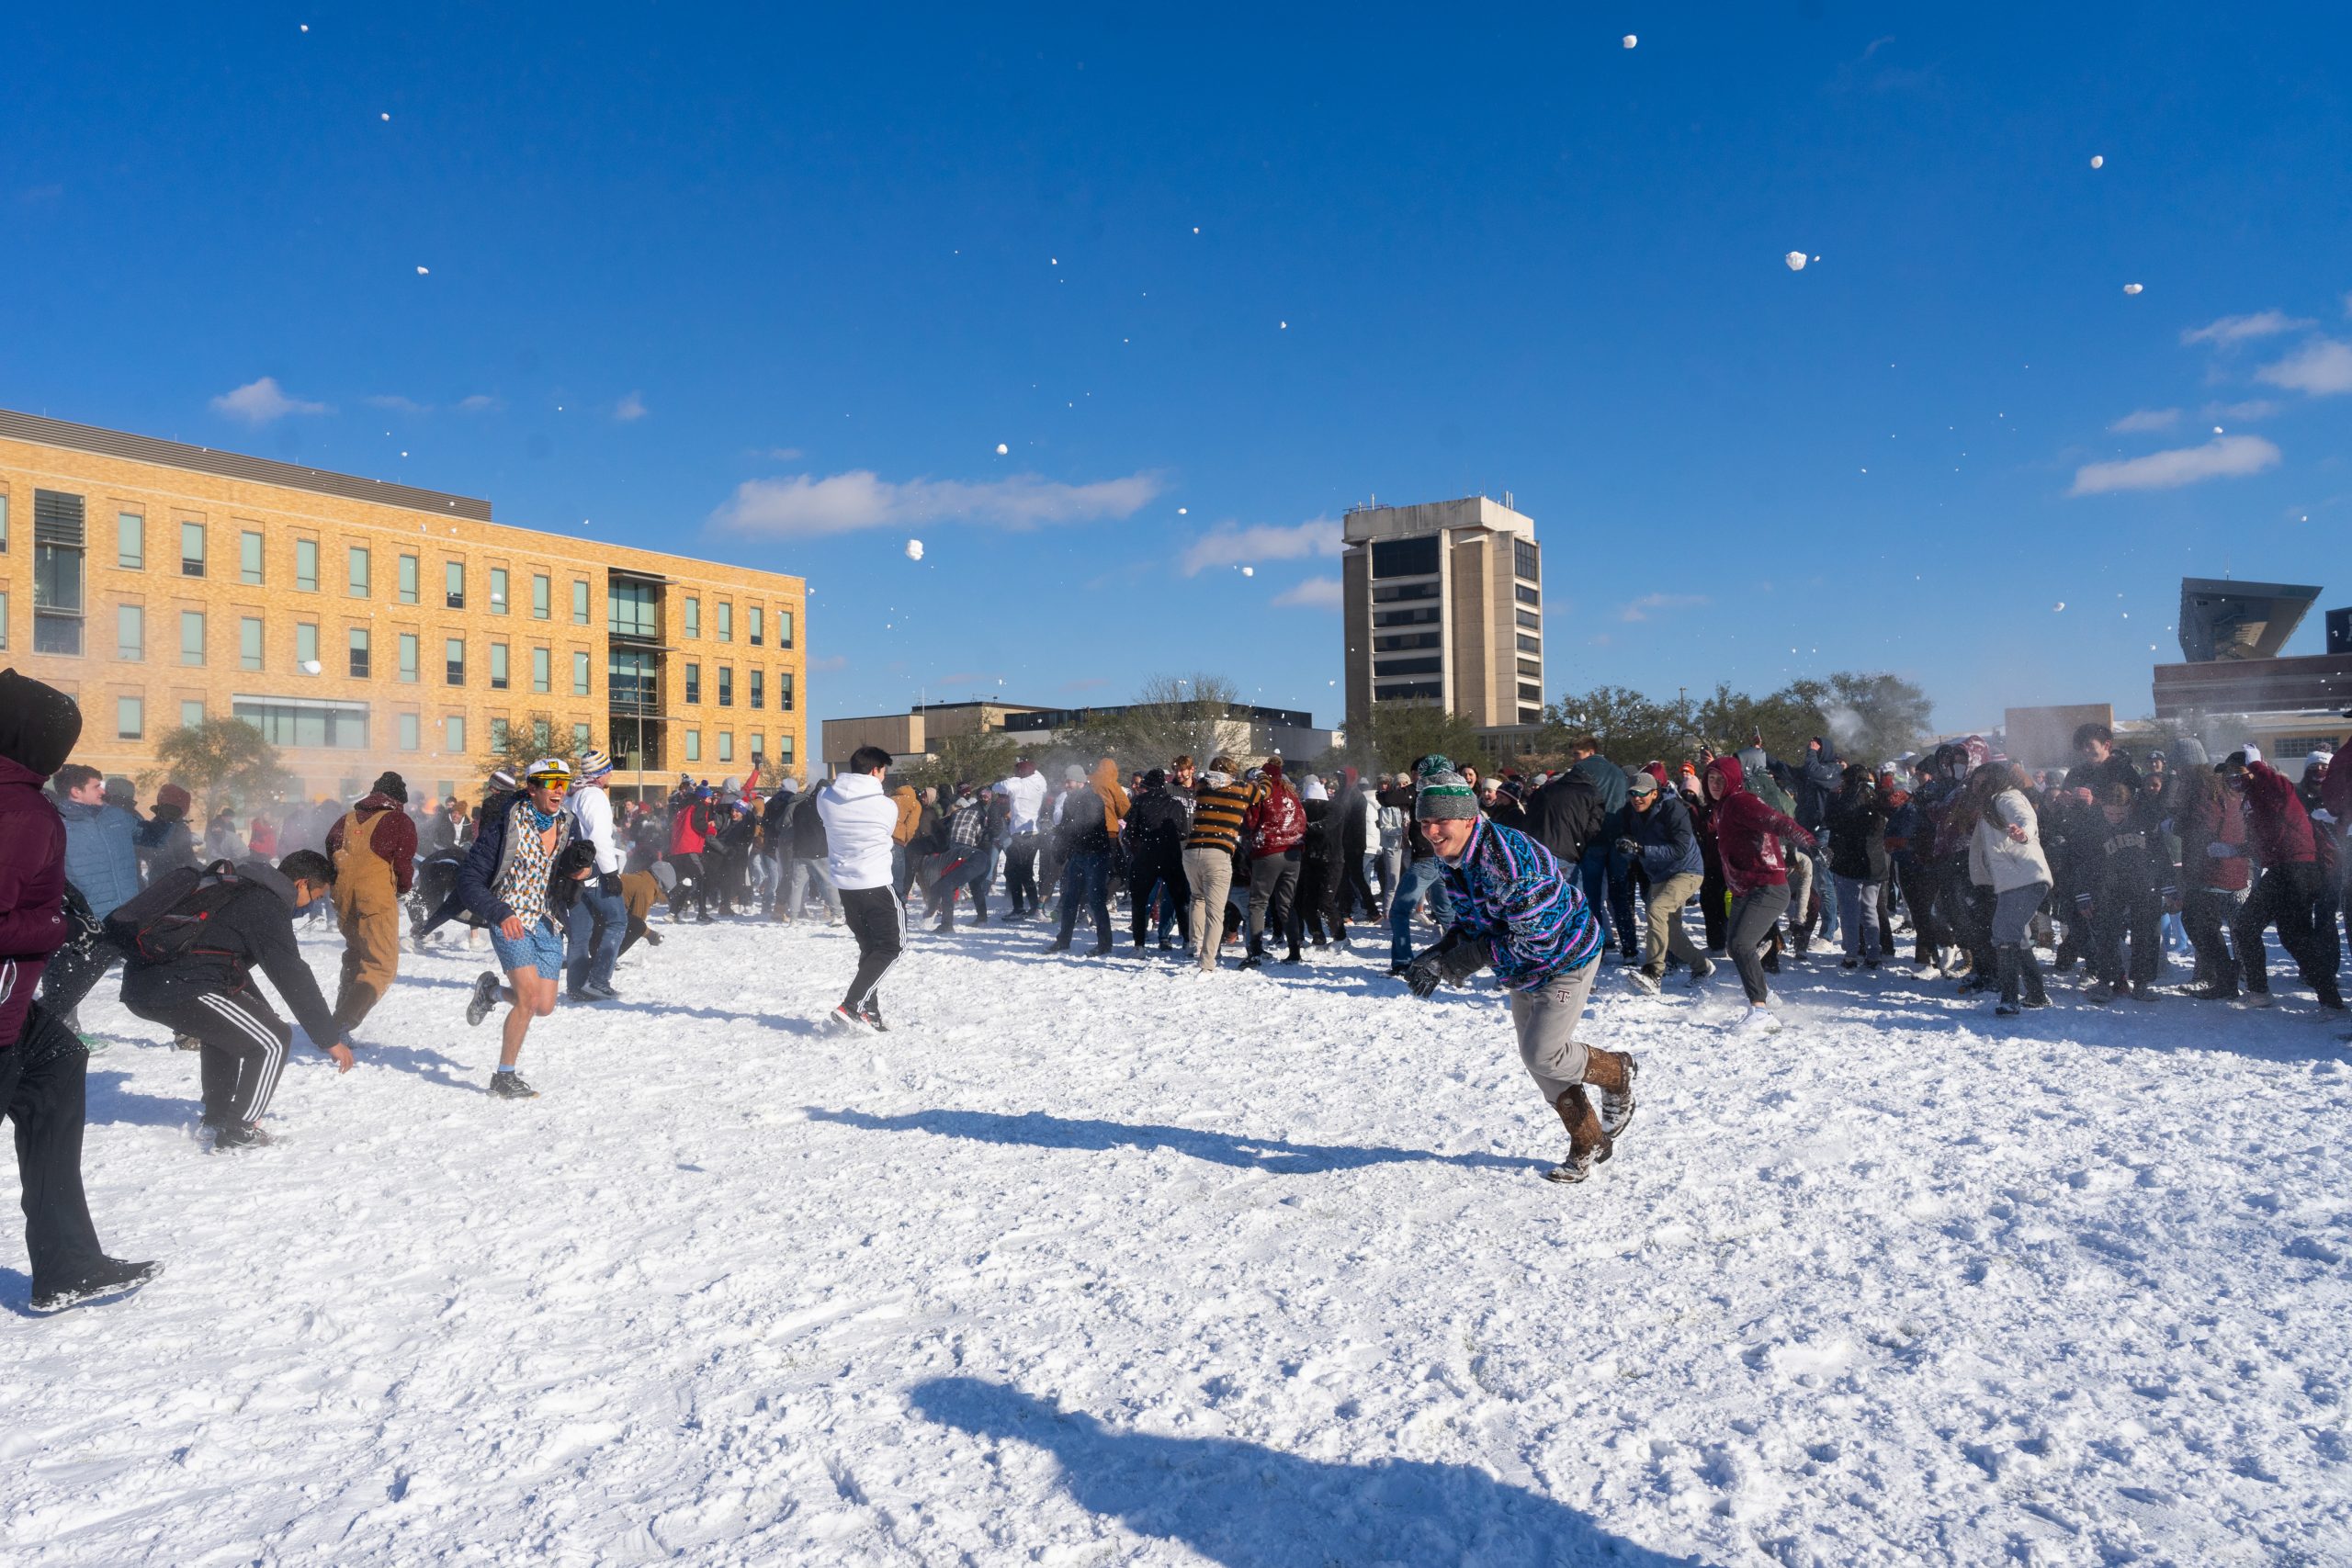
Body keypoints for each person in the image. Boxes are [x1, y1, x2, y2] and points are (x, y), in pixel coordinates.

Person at [0, 670, 160, 1311]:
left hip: (18, 1014)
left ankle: (67, 1262)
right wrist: (54, 921)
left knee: (60, 1062)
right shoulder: (21, 810)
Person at [1396, 759, 1635, 1185]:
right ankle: (1590, 1140)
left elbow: (1537, 937)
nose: (1431, 832)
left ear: (1469, 818)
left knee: (1544, 1053)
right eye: (1425, 821)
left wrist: (1460, 961)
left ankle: (1617, 1072)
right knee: (1539, 1063)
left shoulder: (1509, 861)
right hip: (1520, 966)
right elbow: (1471, 922)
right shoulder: (1457, 859)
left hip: (1566, 956)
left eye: (1441, 822)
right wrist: (1440, 952)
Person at [112, 845, 357, 1148]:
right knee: (273, 1040)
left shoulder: (242, 888)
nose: (309, 906)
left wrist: (261, 1011)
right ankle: (240, 1131)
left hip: (153, 981)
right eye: (316, 897)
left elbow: (229, 965)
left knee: (231, 1033)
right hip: (179, 984)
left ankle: (218, 1117)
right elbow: (292, 973)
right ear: (302, 883)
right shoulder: (265, 903)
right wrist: (329, 1039)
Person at [458, 759, 581, 1098]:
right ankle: (504, 1076)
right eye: (551, 783)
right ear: (532, 788)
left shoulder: (569, 824)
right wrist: (499, 912)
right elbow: (469, 880)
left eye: (564, 783)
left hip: (547, 921)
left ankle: (490, 992)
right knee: (527, 999)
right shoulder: (505, 826)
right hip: (510, 920)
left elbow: (570, 870)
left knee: (543, 1006)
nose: (559, 789)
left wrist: (580, 874)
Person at [2225, 747, 2345, 1010]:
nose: (2235, 781)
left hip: (2297, 869)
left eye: (2239, 773)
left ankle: (2262, 992)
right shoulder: (2253, 798)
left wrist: (2256, 764)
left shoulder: (2275, 787)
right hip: (2285, 869)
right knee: (2293, 936)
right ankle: (2328, 1000)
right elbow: (2264, 841)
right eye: (2230, 777)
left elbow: (2281, 789)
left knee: (2250, 925)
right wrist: (2235, 850)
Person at [1702, 753, 1815, 1031]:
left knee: (1741, 945)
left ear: (1734, 780)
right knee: (1735, 946)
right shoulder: (1723, 806)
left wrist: (1808, 840)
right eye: (1711, 779)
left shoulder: (1742, 802)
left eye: (1721, 779)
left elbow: (1777, 822)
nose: (1715, 784)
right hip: (1746, 889)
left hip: (1767, 887)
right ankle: (1766, 995)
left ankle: (1761, 1011)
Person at [323, 771, 418, 1033]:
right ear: (399, 798)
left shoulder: (346, 819)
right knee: (380, 965)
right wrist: (403, 888)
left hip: (343, 899)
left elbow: (330, 850)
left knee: (356, 955)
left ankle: (339, 1014)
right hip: (374, 899)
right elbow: (403, 864)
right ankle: (340, 1026)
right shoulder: (398, 820)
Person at [818, 746, 905, 1030]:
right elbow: (887, 830)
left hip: (846, 886)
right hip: (877, 884)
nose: (884, 778)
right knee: (893, 946)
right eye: (883, 772)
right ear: (874, 770)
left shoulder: (825, 798)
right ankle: (852, 1004)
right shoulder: (886, 805)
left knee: (870, 949)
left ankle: (870, 1011)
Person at [2072, 780, 2172, 1003]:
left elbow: (2161, 856)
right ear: (2102, 807)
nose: (2115, 817)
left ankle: (2142, 983)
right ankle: (2106, 980)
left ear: (2129, 808)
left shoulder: (2144, 822)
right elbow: (2082, 862)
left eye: (2119, 813)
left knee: (2145, 934)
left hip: (2143, 886)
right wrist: (2083, 894)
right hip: (2107, 888)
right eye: (2110, 812)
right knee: (2106, 934)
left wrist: (2168, 885)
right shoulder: (2093, 827)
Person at [1967, 763, 2053, 1014]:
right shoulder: (1989, 806)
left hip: (2026, 875)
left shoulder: (2008, 797)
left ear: (1994, 779)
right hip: (2012, 880)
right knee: (2017, 935)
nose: (1976, 786)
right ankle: (2036, 994)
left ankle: (2009, 998)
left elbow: (2025, 818)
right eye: (1974, 782)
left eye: (1980, 781)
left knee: (2004, 931)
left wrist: (2022, 832)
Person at [1617, 769, 1709, 994]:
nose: (1636, 797)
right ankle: (1702, 966)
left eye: (1642, 793)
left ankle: (1653, 973)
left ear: (1655, 794)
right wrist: (1626, 848)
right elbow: (1631, 846)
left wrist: (1642, 849)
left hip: (1687, 870)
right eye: (1632, 793)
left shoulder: (1673, 809)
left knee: (1656, 909)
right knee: (1672, 934)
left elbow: (1679, 849)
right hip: (1659, 874)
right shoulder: (1630, 812)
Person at [1182, 759, 1261, 973]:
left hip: (1191, 852)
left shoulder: (1202, 787)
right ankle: (1207, 962)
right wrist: (1263, 775)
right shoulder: (1243, 789)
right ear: (1233, 772)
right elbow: (1263, 793)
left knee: (1197, 898)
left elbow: (1197, 780)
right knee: (1215, 913)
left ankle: (1194, 944)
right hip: (1217, 853)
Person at [563, 750, 628, 1001]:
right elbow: (599, 838)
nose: (611, 773)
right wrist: (612, 874)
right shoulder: (595, 796)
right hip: (594, 867)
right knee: (617, 921)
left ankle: (576, 987)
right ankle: (599, 981)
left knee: (580, 932)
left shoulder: (573, 794)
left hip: (572, 870)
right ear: (601, 773)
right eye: (609, 769)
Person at [1564, 735, 1636, 962]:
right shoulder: (1617, 771)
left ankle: (1597, 947)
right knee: (1619, 896)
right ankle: (1630, 949)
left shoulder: (1580, 772)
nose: (1574, 759)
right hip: (1617, 837)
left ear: (1590, 752)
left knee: (1592, 896)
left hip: (1592, 840)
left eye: (1577, 754)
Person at [1385, 761, 1458, 976]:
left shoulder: (1426, 794)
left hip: (1427, 860)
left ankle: (1402, 962)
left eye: (1417, 775)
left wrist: (1409, 788)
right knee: (1445, 912)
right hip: (1441, 859)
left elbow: (1387, 798)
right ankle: (1458, 956)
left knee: (1398, 911)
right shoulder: (1447, 794)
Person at [1046, 759, 1126, 956]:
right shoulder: (1069, 799)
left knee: (1096, 900)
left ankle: (1104, 944)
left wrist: (1070, 835)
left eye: (1070, 781)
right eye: (1066, 781)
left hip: (1096, 855)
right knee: (1070, 898)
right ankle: (1063, 940)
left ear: (1080, 782)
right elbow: (1066, 827)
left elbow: (1088, 826)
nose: (1066, 785)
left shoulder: (1093, 799)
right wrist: (1061, 847)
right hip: (1078, 855)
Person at [1823, 763, 1890, 970]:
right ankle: (1873, 953)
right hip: (1874, 862)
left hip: (1848, 862)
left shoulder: (1843, 800)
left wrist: (1832, 800)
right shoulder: (1878, 798)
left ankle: (1851, 954)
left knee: (1850, 910)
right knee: (1869, 909)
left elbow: (1831, 823)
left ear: (1849, 779)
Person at [1239, 759, 1305, 967]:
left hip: (1268, 850)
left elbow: (1251, 822)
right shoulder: (1292, 794)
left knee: (1258, 903)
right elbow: (1303, 820)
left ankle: (1256, 951)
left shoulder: (1263, 792)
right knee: (1286, 904)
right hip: (1293, 853)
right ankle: (1295, 951)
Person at [1124, 769, 1192, 953]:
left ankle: (1139, 945)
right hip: (1171, 855)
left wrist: (1137, 848)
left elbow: (1129, 832)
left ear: (1147, 785)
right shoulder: (1176, 804)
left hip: (1147, 854)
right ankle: (1188, 941)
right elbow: (1185, 832)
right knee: (1180, 900)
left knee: (1140, 900)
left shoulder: (1140, 802)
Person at [995, 759, 1050, 919]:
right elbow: (1037, 773)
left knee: (1011, 872)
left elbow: (997, 787)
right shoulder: (1040, 782)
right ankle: (1034, 907)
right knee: (1025, 872)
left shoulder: (1017, 785)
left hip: (1020, 836)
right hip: (1034, 834)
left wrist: (1014, 778)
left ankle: (1020, 908)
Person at [135, 782, 199, 885]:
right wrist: (201, 871)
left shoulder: (157, 823)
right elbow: (185, 858)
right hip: (174, 882)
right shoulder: (175, 828)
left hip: (160, 881)